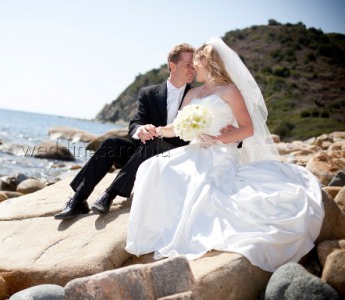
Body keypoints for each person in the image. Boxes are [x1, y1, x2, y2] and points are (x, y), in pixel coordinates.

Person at [125, 38, 325, 272]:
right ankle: (154, 229)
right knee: (154, 166)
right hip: (195, 149)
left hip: (221, 153)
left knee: (202, 186)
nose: (193, 70)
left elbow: (247, 128)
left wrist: (218, 139)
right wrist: (156, 130)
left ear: (208, 63)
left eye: (196, 65)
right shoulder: (192, 95)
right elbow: (177, 127)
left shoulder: (230, 90)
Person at [54, 43, 196, 219]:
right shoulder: (148, 93)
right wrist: (141, 130)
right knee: (111, 143)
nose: (193, 69)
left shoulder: (196, 95)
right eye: (188, 64)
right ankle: (78, 199)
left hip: (173, 155)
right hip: (142, 152)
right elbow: (135, 122)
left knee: (152, 144)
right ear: (172, 65)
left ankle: (110, 194)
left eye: (194, 65)